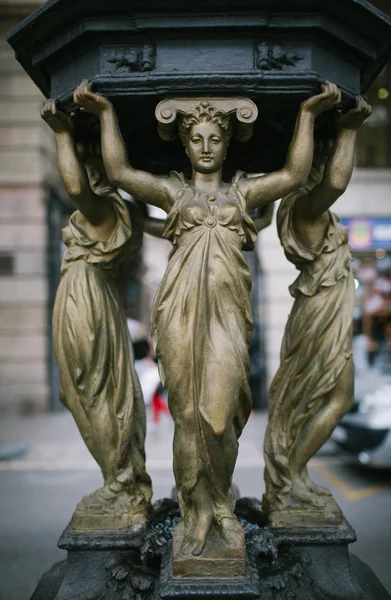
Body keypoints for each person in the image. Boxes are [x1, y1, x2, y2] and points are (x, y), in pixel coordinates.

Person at [73, 79, 341, 556]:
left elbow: (296, 174)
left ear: (227, 144)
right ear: (184, 143)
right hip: (179, 316)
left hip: (228, 320)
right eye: (195, 138)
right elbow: (117, 169)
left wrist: (308, 114)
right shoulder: (175, 195)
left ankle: (221, 502)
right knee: (187, 417)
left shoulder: (243, 196)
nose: (205, 147)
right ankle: (198, 513)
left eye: (214, 139)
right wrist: (105, 113)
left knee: (218, 419)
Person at [41, 101, 152, 529]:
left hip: (87, 297)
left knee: (94, 390)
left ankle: (121, 481)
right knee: (79, 392)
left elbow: (74, 187)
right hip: (81, 294)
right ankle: (118, 477)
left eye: (92, 163)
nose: (84, 169)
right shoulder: (110, 211)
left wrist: (61, 133)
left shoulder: (107, 209)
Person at [263, 97, 372, 515]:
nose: (329, 162)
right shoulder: (305, 209)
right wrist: (348, 129)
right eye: (322, 157)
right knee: (333, 397)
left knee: (329, 397)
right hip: (319, 315)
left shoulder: (312, 212)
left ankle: (293, 474)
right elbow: (337, 183)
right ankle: (290, 475)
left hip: (328, 313)